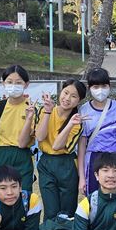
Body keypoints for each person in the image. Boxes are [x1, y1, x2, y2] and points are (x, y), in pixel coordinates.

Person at [34, 79, 85, 220]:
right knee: (50, 209)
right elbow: (40, 136)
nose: (67, 98)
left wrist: (70, 124)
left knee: (67, 211)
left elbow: (57, 146)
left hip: (67, 164)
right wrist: (48, 112)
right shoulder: (45, 110)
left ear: (79, 100)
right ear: (60, 92)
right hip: (46, 162)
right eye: (66, 93)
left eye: (73, 96)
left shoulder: (77, 122)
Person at [0, 65, 37, 197]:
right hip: (1, 155)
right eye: (9, 82)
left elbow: (23, 142)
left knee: (23, 197)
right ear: (3, 83)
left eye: (18, 82)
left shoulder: (32, 109)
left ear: (26, 84)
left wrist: (29, 118)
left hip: (23, 156)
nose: (14, 86)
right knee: (0, 197)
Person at [77, 67, 116, 198]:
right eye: (96, 87)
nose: (100, 90)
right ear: (89, 88)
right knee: (94, 201)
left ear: (109, 86)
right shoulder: (83, 110)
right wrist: (82, 177)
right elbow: (82, 145)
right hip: (93, 160)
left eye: (104, 86)